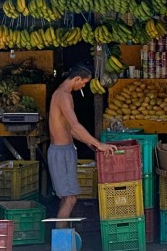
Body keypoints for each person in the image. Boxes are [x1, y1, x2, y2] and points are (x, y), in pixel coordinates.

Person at [48, 65, 117, 223]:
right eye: (84, 83)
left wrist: (88, 142)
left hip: (65, 151)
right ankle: (60, 243)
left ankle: (62, 236)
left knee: (68, 198)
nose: (83, 86)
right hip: (61, 153)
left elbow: (69, 130)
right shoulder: (63, 96)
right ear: (77, 79)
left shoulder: (63, 94)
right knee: (70, 198)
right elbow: (75, 125)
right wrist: (99, 144)